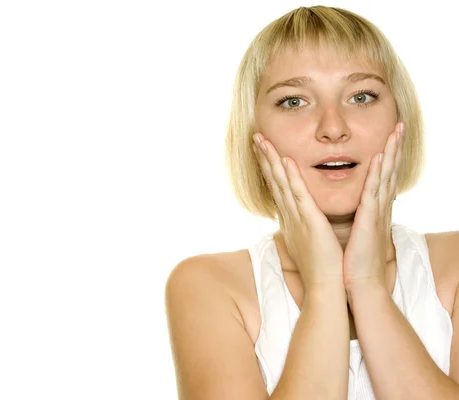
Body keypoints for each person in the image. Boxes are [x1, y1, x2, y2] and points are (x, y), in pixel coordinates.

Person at [165, 5, 459, 400]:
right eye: (293, 102)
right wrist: (323, 286)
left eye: (361, 95)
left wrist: (367, 285)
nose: (333, 127)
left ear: (399, 121)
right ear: (253, 134)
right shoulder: (208, 286)